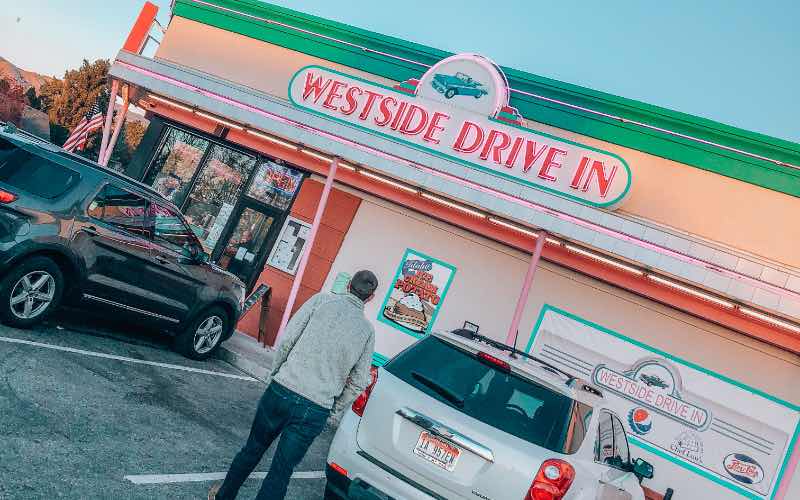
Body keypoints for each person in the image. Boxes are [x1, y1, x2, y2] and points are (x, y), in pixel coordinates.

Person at [209, 270, 379, 500]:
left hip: (283, 389)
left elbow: (289, 339)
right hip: (316, 407)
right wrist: (333, 410)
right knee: (281, 471)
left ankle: (224, 496)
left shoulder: (320, 301)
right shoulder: (367, 332)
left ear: (348, 285)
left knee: (252, 449)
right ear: (370, 297)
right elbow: (359, 381)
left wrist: (276, 374)